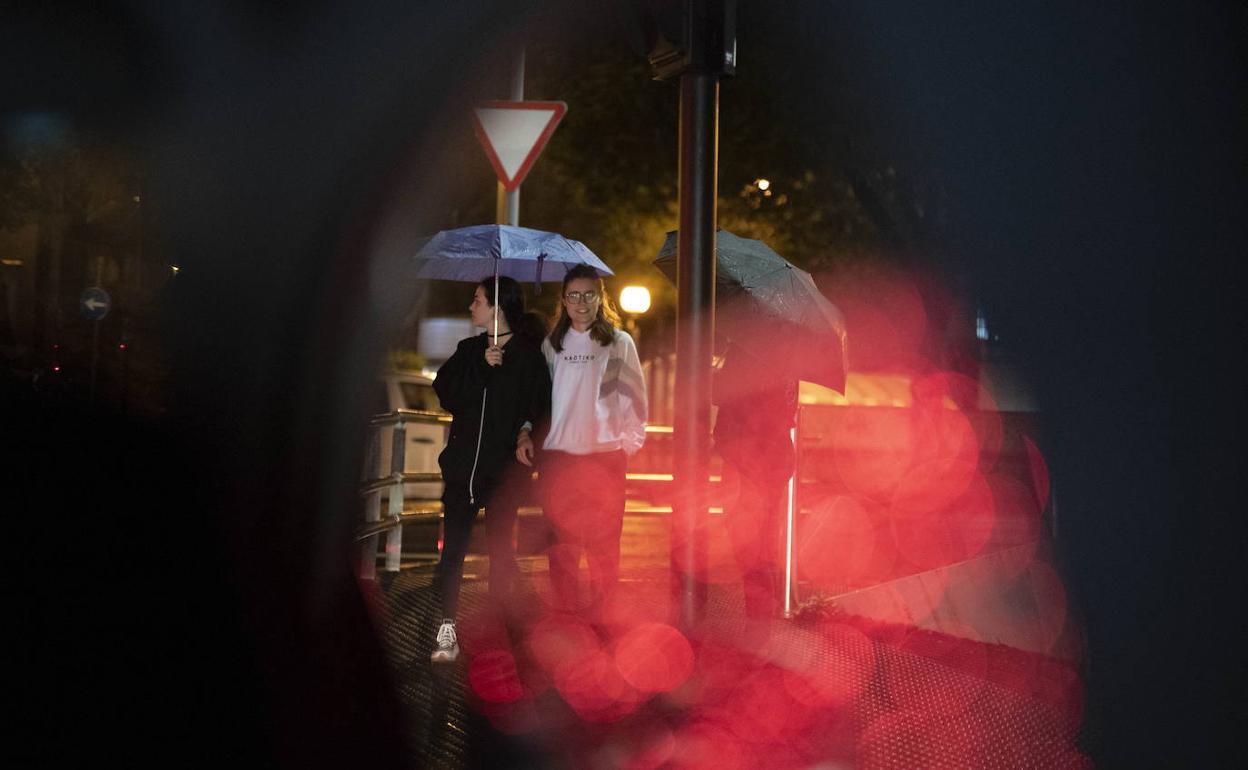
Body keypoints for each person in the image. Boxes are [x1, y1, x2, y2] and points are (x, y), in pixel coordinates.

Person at [516, 264, 646, 620]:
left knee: (604, 544)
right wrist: (527, 430)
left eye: (589, 294)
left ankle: (605, 617)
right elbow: (537, 400)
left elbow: (635, 398)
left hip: (604, 458)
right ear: (564, 299)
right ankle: (567, 619)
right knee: (561, 546)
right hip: (559, 459)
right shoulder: (551, 345)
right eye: (574, 295)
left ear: (600, 298)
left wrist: (627, 446)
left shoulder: (618, 343)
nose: (581, 302)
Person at [430, 276, 550, 663]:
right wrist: (482, 367)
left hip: (503, 475)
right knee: (454, 554)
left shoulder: (530, 356)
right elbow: (446, 394)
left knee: (502, 552)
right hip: (462, 471)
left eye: (477, 299)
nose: (471, 306)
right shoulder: (468, 350)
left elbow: (540, 409)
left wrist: (527, 433)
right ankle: (446, 627)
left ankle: (507, 631)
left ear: (497, 306)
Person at [712, 340, 798, 618]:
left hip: (748, 460)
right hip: (773, 458)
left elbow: (734, 405)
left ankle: (759, 616)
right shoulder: (788, 359)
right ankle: (762, 613)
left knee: (747, 542)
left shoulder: (748, 353)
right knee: (763, 541)